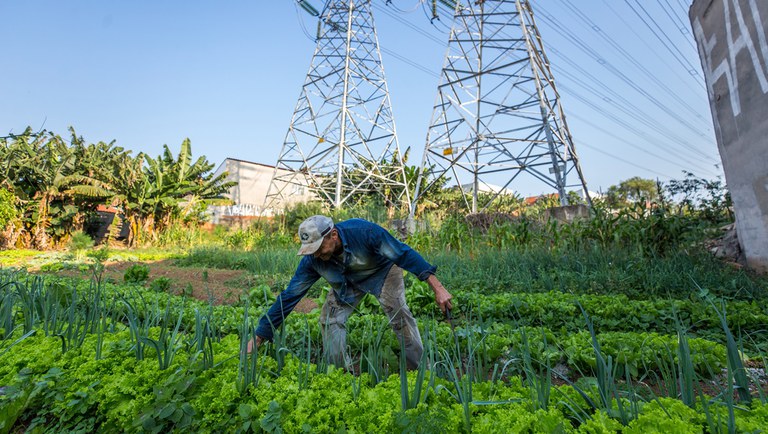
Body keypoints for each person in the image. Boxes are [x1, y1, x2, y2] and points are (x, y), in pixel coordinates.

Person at [248, 215, 453, 370]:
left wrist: (438, 288)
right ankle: (339, 373)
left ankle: (418, 370)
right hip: (348, 281)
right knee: (330, 319)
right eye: (311, 250)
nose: (316, 254)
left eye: (319, 248)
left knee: (399, 316)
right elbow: (290, 296)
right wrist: (260, 334)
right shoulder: (313, 260)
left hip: (382, 272)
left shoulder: (364, 233)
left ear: (333, 235)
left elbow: (403, 254)